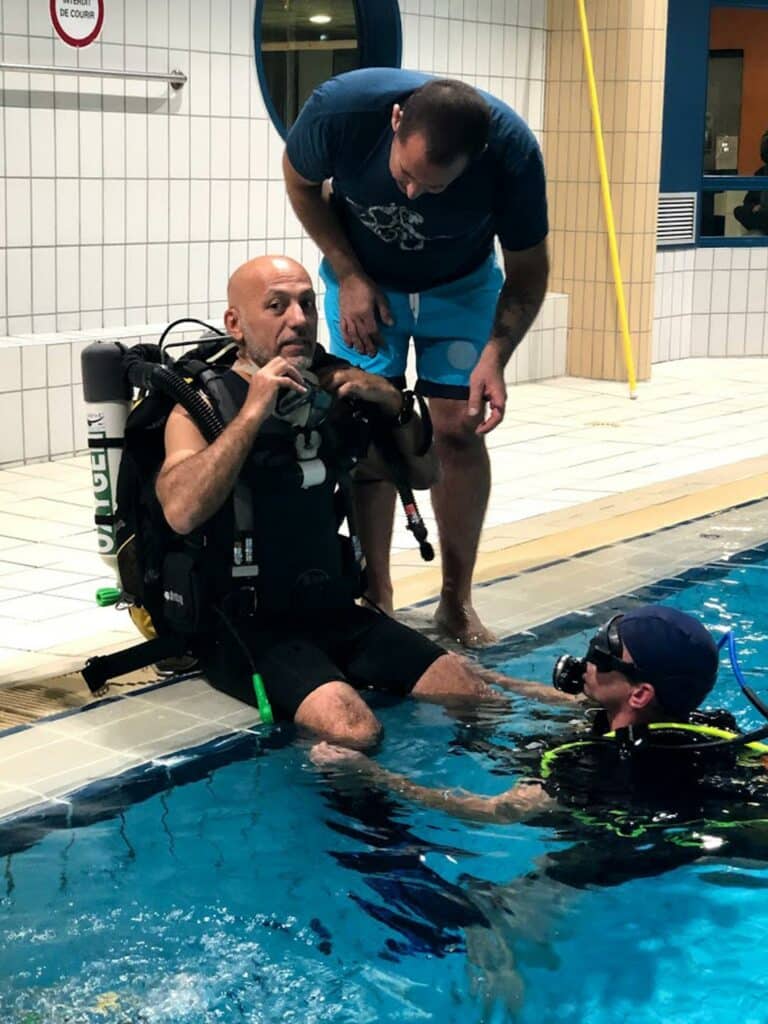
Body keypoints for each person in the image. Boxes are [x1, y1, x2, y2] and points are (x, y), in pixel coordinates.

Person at [155, 254, 502, 749]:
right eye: (276, 306)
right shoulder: (205, 402)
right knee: (353, 729)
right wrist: (253, 412)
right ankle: (436, 808)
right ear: (235, 322)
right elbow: (181, 509)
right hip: (245, 626)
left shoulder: (334, 389)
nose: (297, 319)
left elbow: (425, 475)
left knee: (471, 692)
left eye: (306, 303)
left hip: (331, 607)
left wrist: (391, 400)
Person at [283, 69, 549, 647]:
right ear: (396, 121)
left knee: (459, 429)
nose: (412, 195)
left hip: (462, 288)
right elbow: (300, 181)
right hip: (366, 283)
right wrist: (349, 272)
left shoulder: (512, 153)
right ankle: (375, 592)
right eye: (405, 176)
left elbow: (530, 273)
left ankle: (456, 601)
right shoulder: (340, 111)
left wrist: (496, 356)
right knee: (366, 426)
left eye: (434, 189)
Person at [311, 605, 733, 819]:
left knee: (506, 902)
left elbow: (494, 811)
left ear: (639, 695)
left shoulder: (594, 769)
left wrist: (371, 773)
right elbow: (572, 701)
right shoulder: (688, 725)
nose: (586, 659)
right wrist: (495, 678)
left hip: (612, 859)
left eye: (602, 653)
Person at [733, 129, 768, 234]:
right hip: (763, 217)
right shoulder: (761, 173)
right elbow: (747, 204)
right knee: (739, 211)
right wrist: (753, 208)